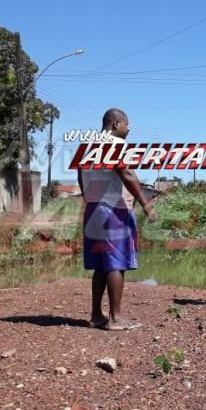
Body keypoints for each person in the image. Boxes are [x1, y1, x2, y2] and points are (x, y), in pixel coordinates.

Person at [79, 108, 157, 331]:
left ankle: (96, 315)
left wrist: (90, 198)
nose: (129, 128)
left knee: (101, 266)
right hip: (114, 210)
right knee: (117, 264)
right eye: (126, 124)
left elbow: (79, 175)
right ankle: (115, 319)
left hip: (94, 209)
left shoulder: (87, 146)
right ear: (115, 125)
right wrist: (146, 203)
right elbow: (127, 174)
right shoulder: (116, 145)